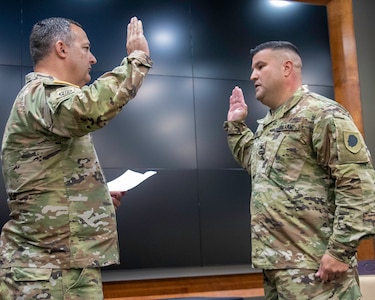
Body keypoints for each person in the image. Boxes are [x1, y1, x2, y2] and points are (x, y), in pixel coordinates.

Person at [0, 16, 152, 299]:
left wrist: (93, 199)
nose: (93, 58)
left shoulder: (40, 101)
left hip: (57, 268)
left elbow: (47, 183)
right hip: (48, 273)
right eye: (86, 48)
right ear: (61, 48)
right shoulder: (42, 95)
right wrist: (136, 59)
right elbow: (89, 108)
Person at [224, 41, 375, 299]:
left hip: (317, 270)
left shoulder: (323, 113)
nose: (252, 76)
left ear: (286, 68)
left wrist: (340, 252)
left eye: (260, 66)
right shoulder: (271, 123)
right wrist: (237, 127)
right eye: (253, 69)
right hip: (277, 267)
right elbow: (256, 166)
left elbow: (359, 188)